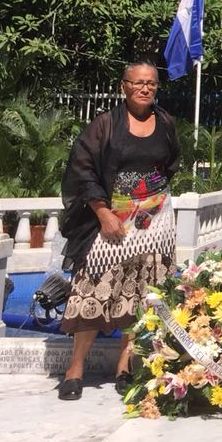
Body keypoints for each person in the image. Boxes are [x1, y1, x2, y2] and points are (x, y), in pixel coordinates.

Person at [57, 61, 181, 401]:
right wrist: (102, 211)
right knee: (93, 288)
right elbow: (81, 169)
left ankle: (125, 365)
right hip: (111, 218)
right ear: (124, 86)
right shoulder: (104, 126)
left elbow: (170, 164)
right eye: (138, 83)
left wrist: (148, 199)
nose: (145, 89)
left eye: (151, 84)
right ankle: (75, 369)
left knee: (143, 292)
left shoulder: (167, 123)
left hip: (155, 222)